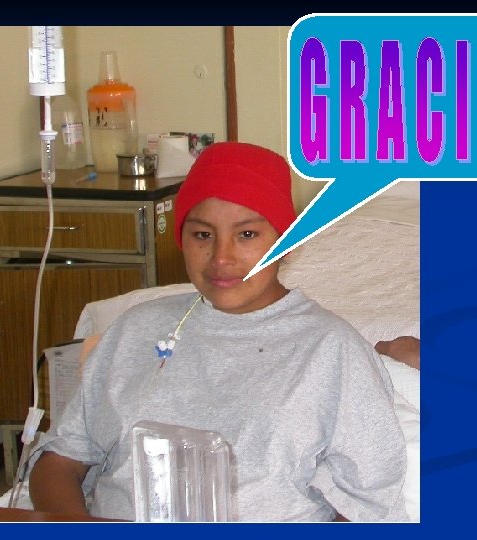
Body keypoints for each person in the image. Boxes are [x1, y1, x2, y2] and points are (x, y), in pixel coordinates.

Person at [28, 142, 408, 522]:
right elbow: (59, 461)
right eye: (202, 235)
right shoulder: (135, 330)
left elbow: (367, 508)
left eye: (247, 234)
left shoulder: (332, 351)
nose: (221, 258)